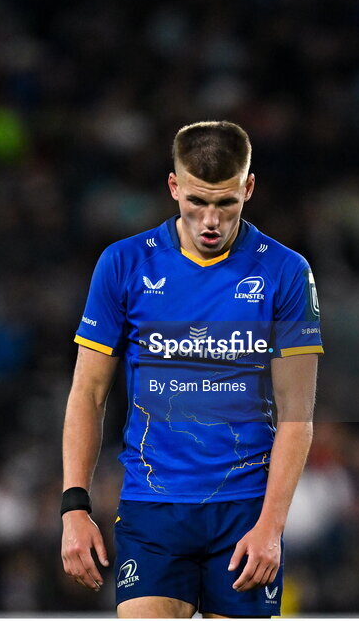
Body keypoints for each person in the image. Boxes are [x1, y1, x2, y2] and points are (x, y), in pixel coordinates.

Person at [60, 121, 322, 618]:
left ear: (248, 188)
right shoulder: (124, 264)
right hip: (154, 507)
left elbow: (296, 413)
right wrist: (75, 506)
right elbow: (87, 394)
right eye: (197, 201)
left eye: (226, 203)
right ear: (173, 186)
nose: (210, 220)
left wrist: (272, 526)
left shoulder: (286, 272)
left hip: (245, 509)